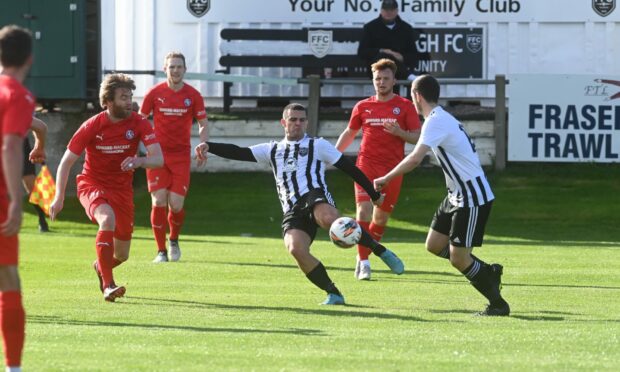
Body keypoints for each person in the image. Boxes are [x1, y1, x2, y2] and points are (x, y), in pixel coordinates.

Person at [194, 103, 405, 305]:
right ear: (283, 123)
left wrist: (373, 195)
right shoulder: (272, 149)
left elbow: (350, 169)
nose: (297, 123)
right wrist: (209, 146)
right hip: (292, 209)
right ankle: (333, 293)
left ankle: (379, 251)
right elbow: (239, 152)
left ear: (306, 123)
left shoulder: (317, 145)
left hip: (314, 196)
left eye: (302, 120)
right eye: (292, 119)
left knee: (329, 219)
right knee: (295, 249)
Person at [374, 75, 510, 316]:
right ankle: (485, 271)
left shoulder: (436, 121)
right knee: (435, 245)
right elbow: (422, 148)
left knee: (458, 258)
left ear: (417, 96)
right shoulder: (439, 119)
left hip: (471, 195)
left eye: (411, 96)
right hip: (456, 194)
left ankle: (497, 303)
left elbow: (415, 158)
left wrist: (386, 178)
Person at [50, 74, 163, 302]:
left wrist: (140, 161)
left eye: (130, 96)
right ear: (108, 102)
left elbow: (158, 159)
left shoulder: (139, 123)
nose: (129, 101)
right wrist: (58, 196)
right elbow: (66, 162)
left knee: (122, 254)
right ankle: (108, 286)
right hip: (92, 184)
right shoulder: (92, 125)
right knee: (106, 219)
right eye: (123, 97)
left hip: (122, 190)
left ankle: (101, 266)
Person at [335, 58, 420, 280]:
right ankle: (364, 263)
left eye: (385, 78)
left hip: (393, 170)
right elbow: (349, 133)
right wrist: (333, 155)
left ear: (394, 80)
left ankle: (363, 254)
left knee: (380, 220)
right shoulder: (363, 106)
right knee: (362, 211)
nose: (381, 82)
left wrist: (399, 133)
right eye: (377, 79)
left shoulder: (405, 106)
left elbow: (418, 138)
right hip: (365, 165)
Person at [140, 52, 208, 263]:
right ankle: (161, 251)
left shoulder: (193, 95)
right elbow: (141, 121)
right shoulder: (154, 93)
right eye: (172, 67)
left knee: (176, 205)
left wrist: (204, 144)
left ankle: (174, 240)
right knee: (158, 200)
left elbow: (203, 123)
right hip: (157, 156)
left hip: (181, 157)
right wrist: (139, 147)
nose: (175, 70)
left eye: (179, 67)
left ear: (185, 69)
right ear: (165, 69)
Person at [0, 24, 36, 372]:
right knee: (8, 276)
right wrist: (15, 199)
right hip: (4, 187)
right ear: (30, 57)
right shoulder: (20, 96)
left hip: (22, 165)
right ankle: (13, 367)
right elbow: (11, 145)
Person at [357, 0, 417, 80]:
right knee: (383, 56)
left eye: (391, 10)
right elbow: (362, 52)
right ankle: (408, 75)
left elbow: (414, 55)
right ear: (381, 11)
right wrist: (382, 51)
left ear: (396, 11)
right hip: (377, 72)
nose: (388, 12)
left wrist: (402, 57)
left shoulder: (406, 29)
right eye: (386, 10)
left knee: (388, 58)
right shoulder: (370, 27)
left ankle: (406, 75)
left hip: (398, 74)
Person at [22, 117, 49, 232]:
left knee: (31, 187)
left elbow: (39, 127)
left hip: (20, 147)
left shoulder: (11, 105)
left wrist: (39, 148)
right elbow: (41, 127)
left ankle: (42, 220)